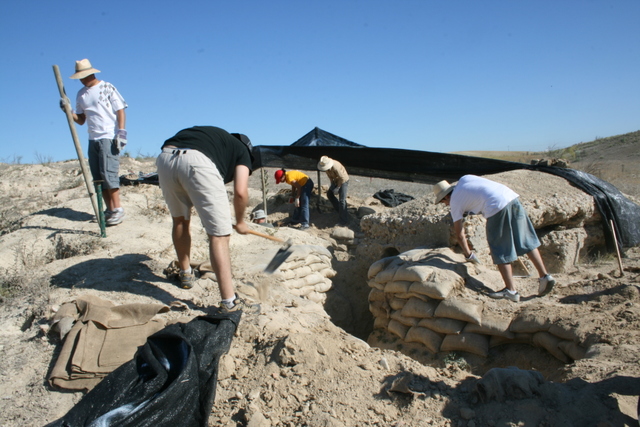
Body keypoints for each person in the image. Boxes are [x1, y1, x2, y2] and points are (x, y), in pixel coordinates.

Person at [155, 126, 258, 313]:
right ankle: (229, 302)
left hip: (165, 158)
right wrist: (241, 221)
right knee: (219, 236)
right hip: (198, 162)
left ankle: (185, 274)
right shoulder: (242, 151)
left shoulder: (216, 139)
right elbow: (241, 192)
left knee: (180, 221)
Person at [434, 175, 556, 302]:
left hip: (496, 207)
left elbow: (459, 234)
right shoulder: (465, 179)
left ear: (446, 196)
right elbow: (479, 194)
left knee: (499, 248)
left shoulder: (454, 202)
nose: (446, 205)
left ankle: (510, 291)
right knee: (526, 241)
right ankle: (545, 277)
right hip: (511, 198)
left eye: (444, 202)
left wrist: (469, 255)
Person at [62, 59, 128, 226]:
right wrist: (68, 111)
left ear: (91, 73)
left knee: (108, 173)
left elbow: (120, 109)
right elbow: (81, 119)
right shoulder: (81, 94)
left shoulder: (107, 87)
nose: (82, 79)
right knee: (98, 176)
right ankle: (109, 209)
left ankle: (118, 209)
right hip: (92, 138)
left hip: (108, 135)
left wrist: (121, 131)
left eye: (83, 76)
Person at [317, 156, 350, 225]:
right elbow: (330, 177)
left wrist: (338, 187)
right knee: (329, 194)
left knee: (342, 200)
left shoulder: (336, 166)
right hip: (336, 180)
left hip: (343, 181)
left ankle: (343, 220)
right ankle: (340, 211)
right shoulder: (326, 168)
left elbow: (342, 178)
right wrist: (332, 184)